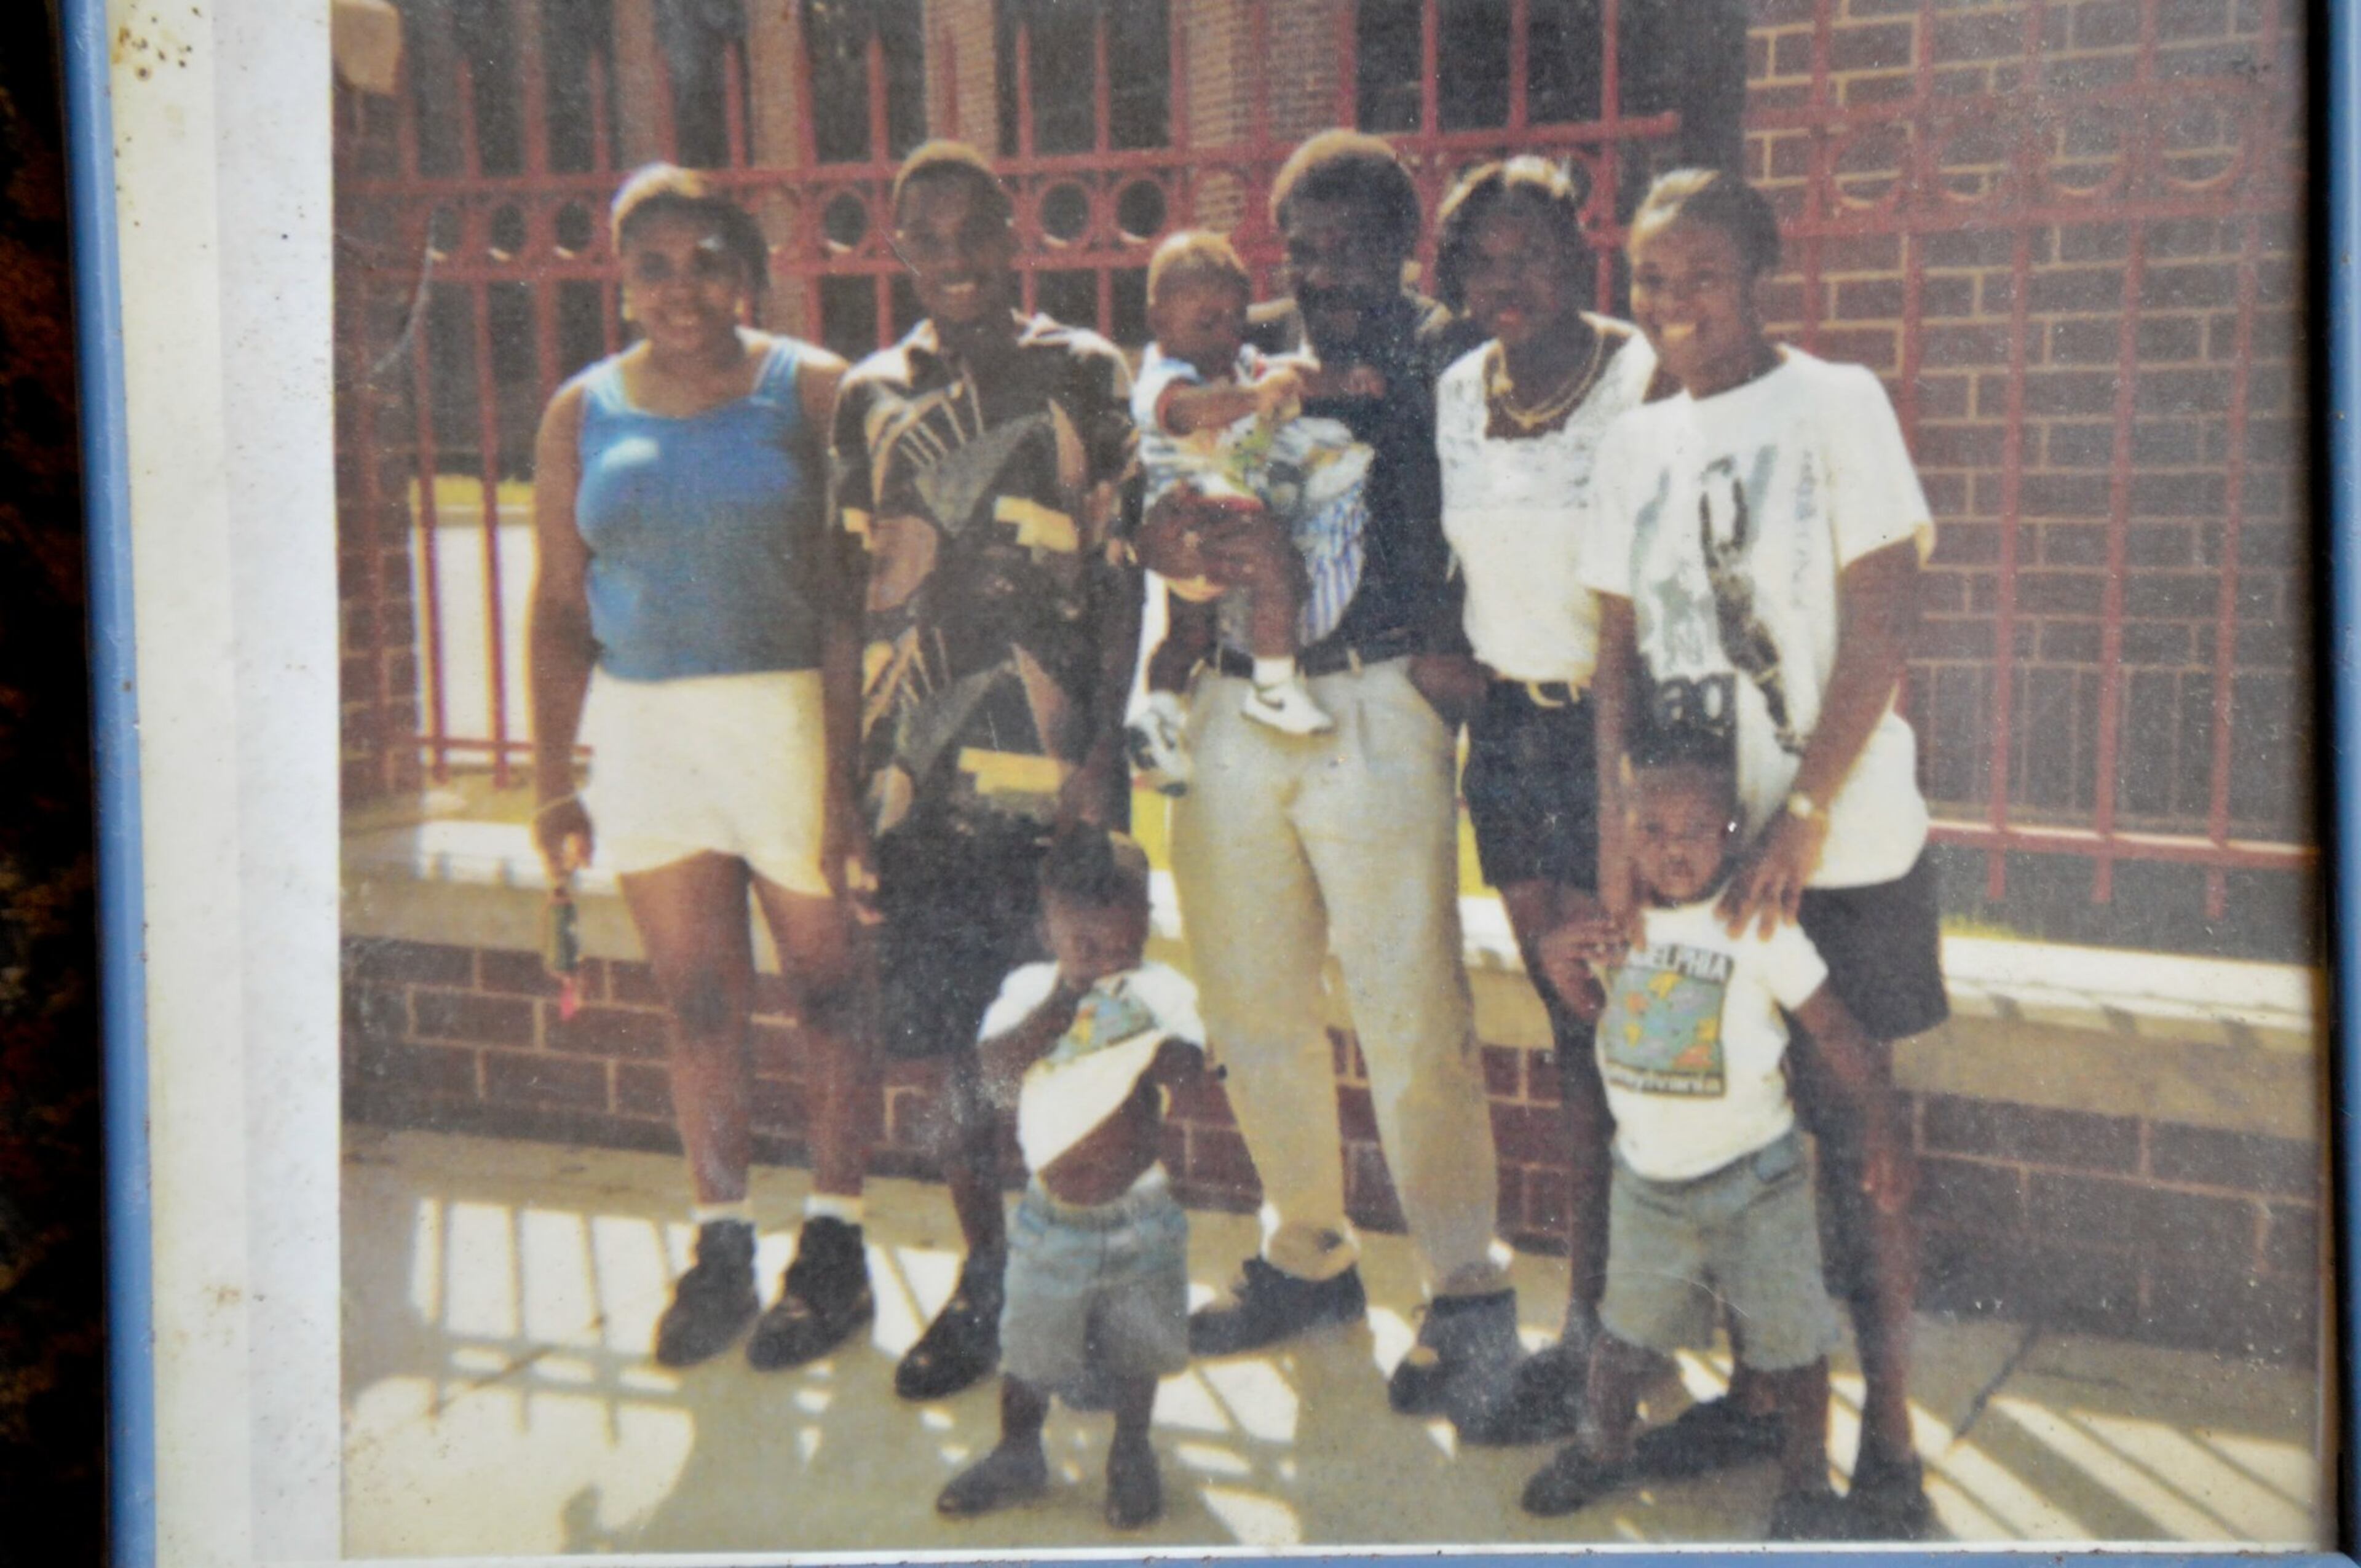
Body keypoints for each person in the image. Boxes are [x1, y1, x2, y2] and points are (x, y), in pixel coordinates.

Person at [1551, 166, 1943, 1535]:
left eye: (1703, 275)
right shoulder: (1638, 443)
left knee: (1852, 1131)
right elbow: (1613, 658)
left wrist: (1807, 811)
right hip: (1690, 865)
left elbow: (1883, 619)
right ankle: (1764, 1399)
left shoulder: (1837, 405)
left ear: (1761, 273)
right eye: (1653, 279)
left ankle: (1887, 1438)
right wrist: (1618, 831)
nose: (1674, 305)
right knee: (1720, 1129)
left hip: (1835, 847)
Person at [1137, 130, 1531, 1443]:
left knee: (1409, 1003)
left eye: (1351, 245)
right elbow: (1151, 468)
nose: (1322, 271)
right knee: (1251, 999)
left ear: (1403, 246)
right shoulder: (1235, 347)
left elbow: (1485, 505)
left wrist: (1441, 646)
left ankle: (1467, 1289)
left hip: (1374, 696)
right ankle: (1306, 1253)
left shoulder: (1439, 347)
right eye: (1300, 246)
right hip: (1237, 700)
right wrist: (1164, 536)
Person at [526, 164, 879, 1370]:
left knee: (829, 989)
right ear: (621, 278)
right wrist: (548, 778)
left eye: (708, 260)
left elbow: (863, 591)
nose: (682, 288)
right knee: (697, 1000)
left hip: (788, 721)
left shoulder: (814, 389)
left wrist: (850, 774)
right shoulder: (582, 411)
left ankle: (836, 1239)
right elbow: (559, 609)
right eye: (655, 263)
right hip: (647, 737)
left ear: (750, 270)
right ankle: (721, 1238)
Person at [833, 140, 1144, 1402]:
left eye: (974, 231)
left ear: (1016, 234)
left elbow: (1120, 571)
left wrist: (1102, 745)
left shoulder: (1082, 372)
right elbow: (843, 597)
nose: (952, 257)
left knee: (1076, 1043)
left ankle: (1098, 1282)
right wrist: (843, 794)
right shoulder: (870, 394)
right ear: (899, 247)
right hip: (917, 784)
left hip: (1055, 776)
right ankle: (988, 1282)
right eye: (927, 236)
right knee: (953, 1055)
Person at [1517, 742, 1912, 1542]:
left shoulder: (1752, 923)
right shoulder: (1614, 925)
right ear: (1625, 834)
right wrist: (1557, 951)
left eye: (1698, 828)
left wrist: (1882, 1121)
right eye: (1654, 828)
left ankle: (1806, 1480)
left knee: (1791, 1342)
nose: (1675, 846)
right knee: (1624, 1333)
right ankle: (1603, 1445)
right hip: (1648, 1183)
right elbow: (1557, 960)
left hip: (1753, 1177)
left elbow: (1833, 1026)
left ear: (1732, 834)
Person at [1428, 155, 1663, 1425]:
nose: (1503, 281)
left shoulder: (1637, 371)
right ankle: (1590, 1325)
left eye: (1528, 255)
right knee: (1576, 1035)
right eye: (1480, 261)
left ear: (1578, 255)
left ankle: (1634, 1326)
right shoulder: (1460, 387)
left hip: (1620, 746)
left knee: (1633, 1028)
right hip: (1515, 746)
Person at [933, 827, 1206, 1530]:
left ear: (1144, 922)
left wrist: (1170, 1056)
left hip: (1141, 1211)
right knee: (1030, 1346)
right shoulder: (1026, 992)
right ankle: (1019, 1450)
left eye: (1122, 939)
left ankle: (1132, 1450)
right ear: (1045, 926)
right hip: (1052, 1216)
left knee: (1136, 1341)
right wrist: (1063, 1006)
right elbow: (992, 1078)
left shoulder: (1162, 991)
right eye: (1083, 943)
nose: (1106, 957)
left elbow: (1198, 1077)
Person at [1125, 229, 1377, 791]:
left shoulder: (1236, 362)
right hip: (1199, 509)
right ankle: (1273, 686)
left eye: (1235, 320)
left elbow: (1290, 371)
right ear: (1160, 322)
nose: (1224, 337)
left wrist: (1338, 380)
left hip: (1209, 518)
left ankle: (1160, 716)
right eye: (1205, 322)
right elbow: (1189, 414)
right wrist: (1256, 399)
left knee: (1188, 637)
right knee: (1278, 570)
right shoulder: (1166, 378)